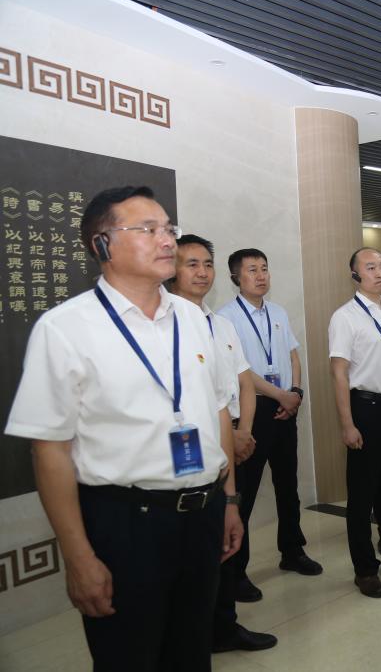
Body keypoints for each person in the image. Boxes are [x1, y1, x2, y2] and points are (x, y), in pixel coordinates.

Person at [4, 186, 243, 670]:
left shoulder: (193, 317)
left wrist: (230, 500)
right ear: (102, 244)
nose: (167, 240)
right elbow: (49, 451)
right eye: (148, 229)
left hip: (203, 515)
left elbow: (218, 408)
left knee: (191, 652)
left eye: (169, 228)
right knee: (128, 656)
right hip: (127, 523)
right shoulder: (65, 328)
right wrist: (78, 556)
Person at [168, 234, 277, 652]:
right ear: (171, 270)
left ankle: (224, 625)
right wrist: (229, 436)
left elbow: (244, 382)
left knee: (229, 530)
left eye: (207, 264)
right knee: (199, 544)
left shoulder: (221, 323)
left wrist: (243, 431)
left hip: (234, 435)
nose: (202, 272)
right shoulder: (168, 322)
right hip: (196, 445)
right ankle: (200, 631)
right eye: (191, 264)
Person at [217, 248, 322, 601]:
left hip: (286, 407)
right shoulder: (226, 318)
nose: (261, 275)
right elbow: (242, 371)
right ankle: (236, 571)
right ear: (236, 277)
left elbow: (293, 355)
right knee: (243, 493)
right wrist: (280, 395)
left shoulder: (277, 312)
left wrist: (295, 392)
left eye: (264, 268)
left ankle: (292, 550)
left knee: (287, 485)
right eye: (252, 270)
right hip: (253, 410)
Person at [329, 247, 381, 599]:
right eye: (370, 267)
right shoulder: (345, 317)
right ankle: (365, 569)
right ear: (355, 275)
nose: (380, 273)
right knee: (362, 494)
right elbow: (339, 373)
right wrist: (347, 424)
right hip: (365, 408)